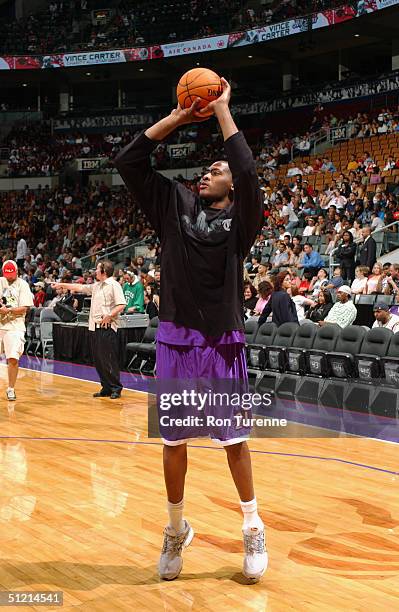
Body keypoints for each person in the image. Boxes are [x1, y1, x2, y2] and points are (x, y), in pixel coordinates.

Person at [114, 80, 267, 582]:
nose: (208, 173)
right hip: (177, 339)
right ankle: (176, 527)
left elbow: (245, 167)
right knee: (174, 441)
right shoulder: (173, 204)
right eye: (205, 169)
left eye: (216, 170)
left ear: (233, 188)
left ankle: (251, 526)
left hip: (222, 341)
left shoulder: (244, 221)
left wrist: (222, 111)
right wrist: (178, 118)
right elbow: (129, 162)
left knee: (234, 441)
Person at [53, 260, 126, 399]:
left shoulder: (114, 285)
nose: (95, 271)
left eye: (97, 269)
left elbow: (121, 304)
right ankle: (106, 387)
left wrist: (109, 315)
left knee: (108, 359)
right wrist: (61, 284)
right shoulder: (96, 286)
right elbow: (79, 287)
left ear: (104, 271)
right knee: (98, 359)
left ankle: (116, 387)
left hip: (107, 327)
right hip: (94, 327)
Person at [0, 260, 34, 400]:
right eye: (7, 274)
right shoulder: (0, 282)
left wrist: (8, 310)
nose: (9, 277)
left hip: (15, 326)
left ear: (17, 272)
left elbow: (25, 308)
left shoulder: (23, 285)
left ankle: (11, 388)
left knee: (13, 358)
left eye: (12, 274)